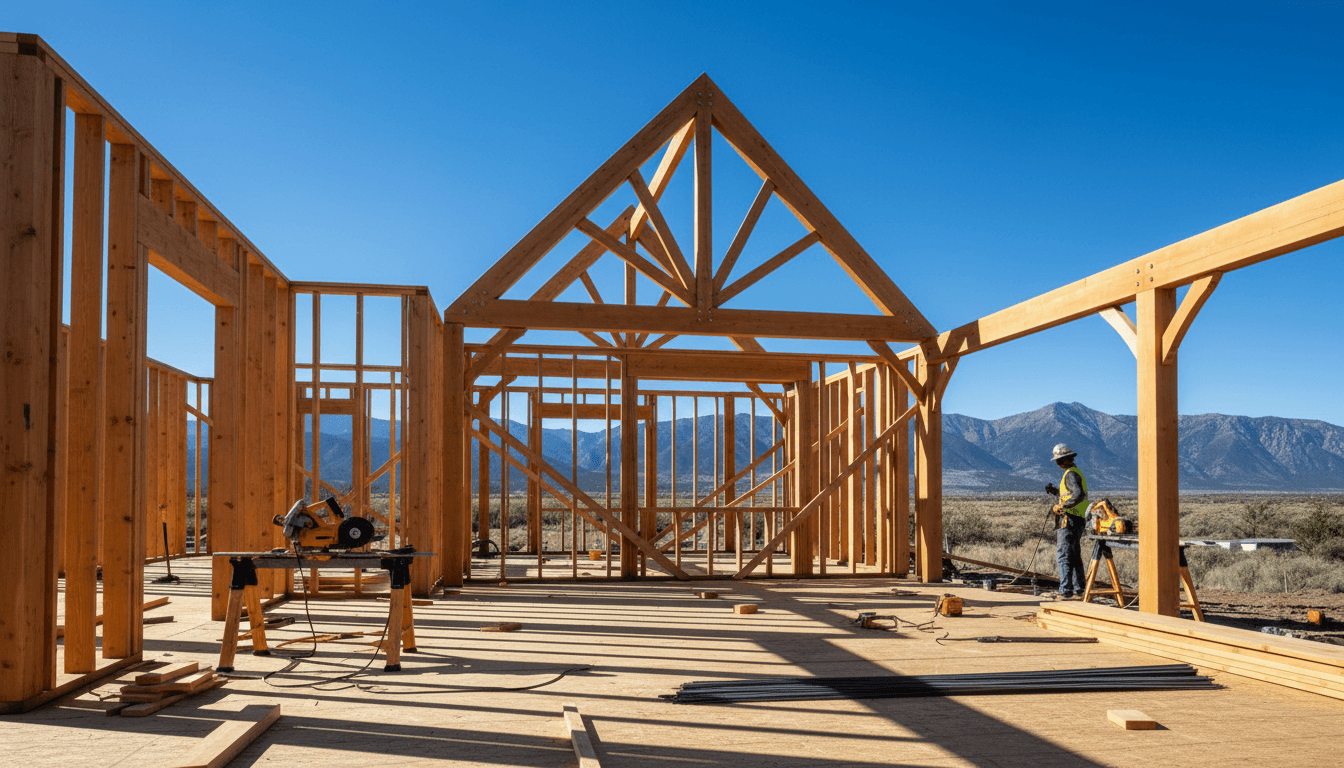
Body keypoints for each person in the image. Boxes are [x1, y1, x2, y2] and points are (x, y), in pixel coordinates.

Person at [1049, 443, 1088, 599]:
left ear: (1063, 460)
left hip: (1070, 519)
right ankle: (1079, 589)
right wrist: (1056, 493)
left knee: (1064, 555)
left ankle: (1065, 590)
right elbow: (1073, 493)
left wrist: (1061, 505)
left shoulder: (1071, 474)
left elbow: (1078, 495)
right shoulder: (1074, 472)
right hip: (1077, 518)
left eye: (1058, 460)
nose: (1057, 463)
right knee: (1074, 555)